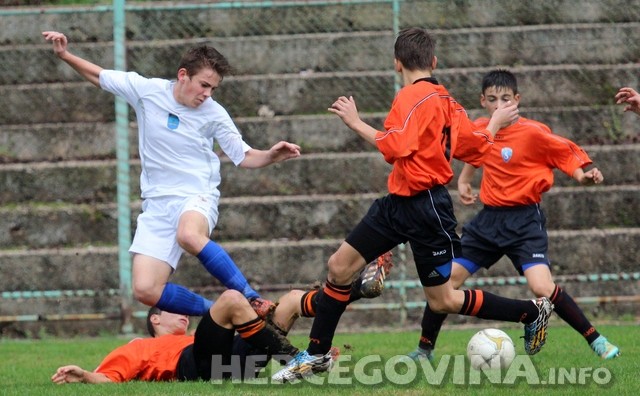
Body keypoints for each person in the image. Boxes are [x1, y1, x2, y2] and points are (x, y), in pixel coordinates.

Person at [272, 27, 554, 383]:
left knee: (443, 301)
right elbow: (474, 147)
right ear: (433, 61)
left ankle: (530, 312)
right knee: (339, 267)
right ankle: (316, 355)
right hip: (397, 204)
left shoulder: (411, 97)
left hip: (426, 211)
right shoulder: (449, 101)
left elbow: (395, 146)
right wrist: (494, 125)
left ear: (396, 64)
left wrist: (355, 121)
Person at [42, 31, 301, 317]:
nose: (207, 94)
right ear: (182, 75)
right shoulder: (147, 90)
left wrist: (271, 156)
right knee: (145, 290)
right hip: (156, 204)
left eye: (213, 88)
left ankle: (251, 298)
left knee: (189, 235)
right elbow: (100, 77)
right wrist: (65, 56)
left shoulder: (214, 113)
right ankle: (224, 313)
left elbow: (244, 156)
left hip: (196, 196)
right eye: (203, 85)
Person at [405, 69, 620, 362]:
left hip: (524, 222)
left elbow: (565, 154)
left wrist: (583, 176)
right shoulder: (485, 128)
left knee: (541, 286)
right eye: (492, 99)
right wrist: (465, 179)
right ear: (483, 101)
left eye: (505, 99)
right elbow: (476, 149)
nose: (499, 105)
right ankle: (424, 350)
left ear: (517, 100)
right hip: (488, 223)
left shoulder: (533, 133)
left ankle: (596, 339)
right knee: (447, 281)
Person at [49, 261, 390, 384]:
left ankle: (356, 289)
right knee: (229, 299)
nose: (180, 312)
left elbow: (245, 322)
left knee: (289, 302)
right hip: (197, 367)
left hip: (238, 363)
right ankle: (298, 359)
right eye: (169, 308)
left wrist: (258, 315)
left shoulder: (198, 334)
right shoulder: (140, 346)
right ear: (154, 319)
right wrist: (84, 375)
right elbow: (110, 378)